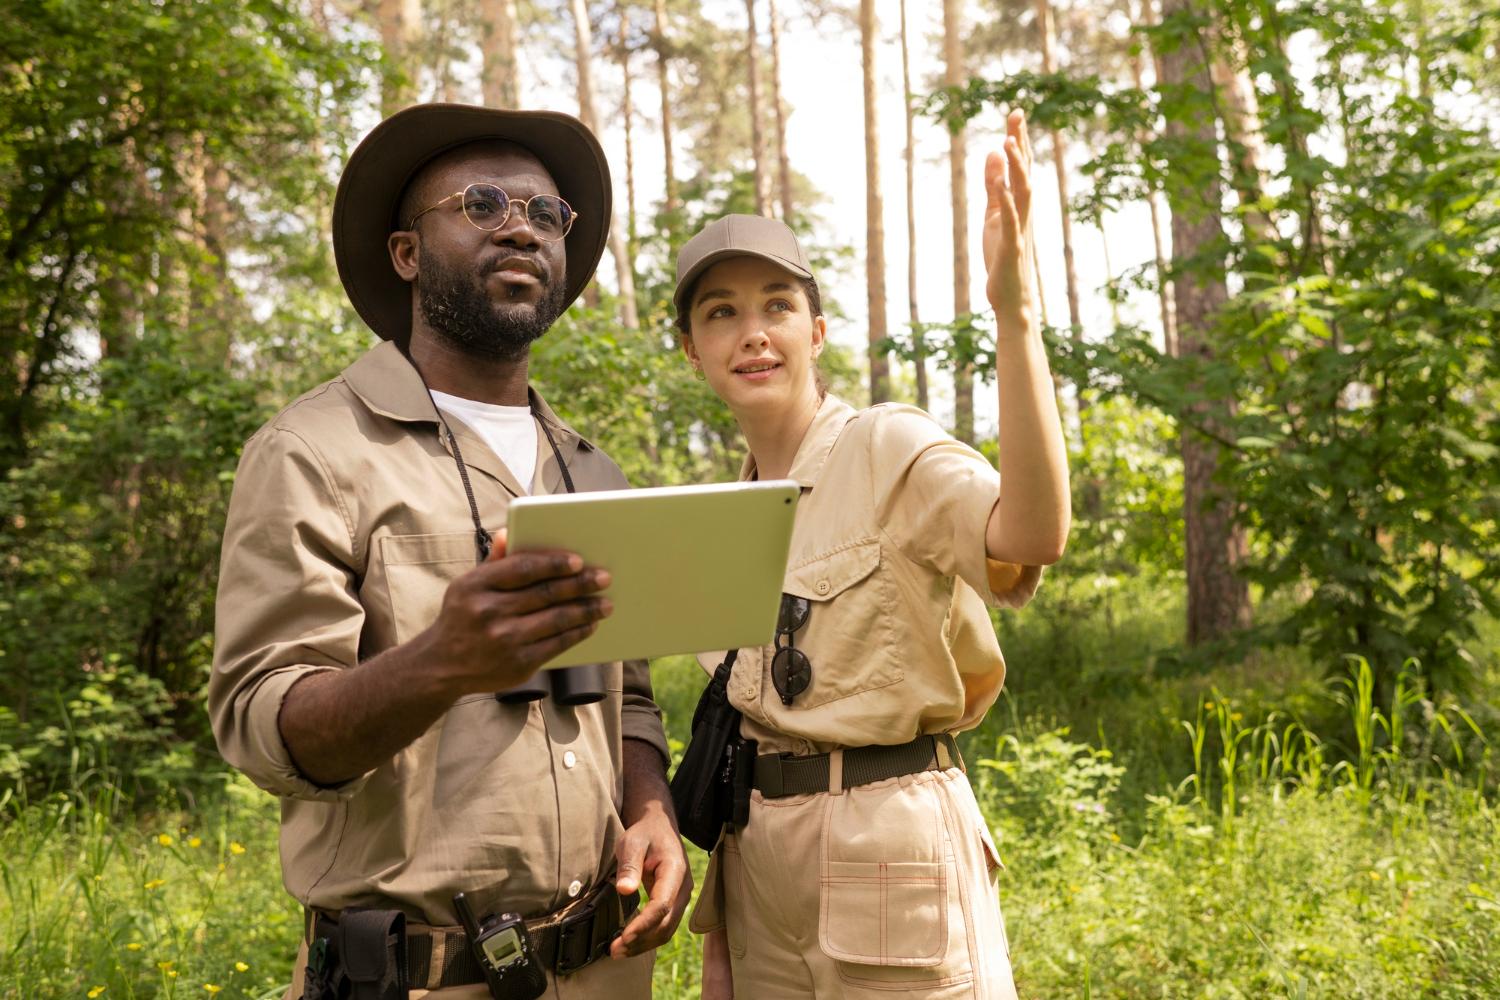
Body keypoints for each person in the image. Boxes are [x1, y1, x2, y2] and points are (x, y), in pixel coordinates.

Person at [208, 103, 689, 999]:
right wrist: (443, 661)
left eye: (547, 214)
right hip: (415, 976)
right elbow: (259, 723)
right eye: (479, 202)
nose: (520, 225)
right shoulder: (315, 451)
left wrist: (652, 807)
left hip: (606, 970)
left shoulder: (595, 471)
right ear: (406, 253)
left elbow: (628, 699)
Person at [673, 110, 1069, 999]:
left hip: (888, 851)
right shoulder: (715, 516)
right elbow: (739, 722)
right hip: (759, 867)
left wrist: (1016, 315)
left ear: (817, 333)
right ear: (694, 352)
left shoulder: (887, 446)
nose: (754, 332)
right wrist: (727, 921)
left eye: (779, 306)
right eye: (722, 313)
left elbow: (1032, 533)